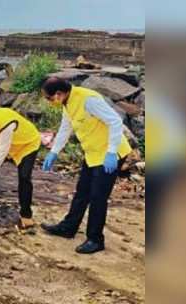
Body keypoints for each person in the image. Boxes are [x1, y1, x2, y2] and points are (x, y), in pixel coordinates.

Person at [39, 77, 133, 254]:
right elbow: (65, 128)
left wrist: (112, 152)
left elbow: (115, 121)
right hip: (93, 153)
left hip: (109, 154)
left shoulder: (88, 100)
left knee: (98, 197)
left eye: (49, 98)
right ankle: (68, 227)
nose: (49, 102)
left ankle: (95, 239)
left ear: (58, 94)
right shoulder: (68, 102)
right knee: (82, 191)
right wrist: (54, 151)